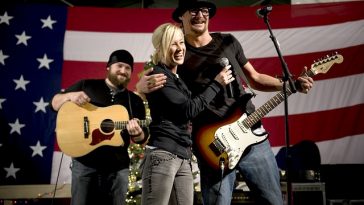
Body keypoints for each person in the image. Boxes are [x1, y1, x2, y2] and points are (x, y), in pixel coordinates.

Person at [136, 0, 314, 204]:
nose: (200, 15)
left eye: (205, 10)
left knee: (273, 200)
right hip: (212, 145)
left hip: (251, 136)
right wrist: (141, 88)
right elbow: (158, 82)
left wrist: (290, 84)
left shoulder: (228, 42)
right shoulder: (177, 50)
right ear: (181, 17)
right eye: (194, 10)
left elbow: (255, 78)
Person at [140, 23, 233, 205]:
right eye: (173, 44)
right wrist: (216, 84)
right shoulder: (160, 76)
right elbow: (187, 110)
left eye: (181, 43)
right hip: (163, 154)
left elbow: (193, 110)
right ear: (161, 47)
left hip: (182, 157)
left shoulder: (177, 79)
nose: (180, 48)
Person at [52, 49, 148, 205]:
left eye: (128, 68)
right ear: (108, 67)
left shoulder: (134, 101)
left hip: (118, 169)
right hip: (85, 165)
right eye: (119, 66)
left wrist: (138, 134)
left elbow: (142, 137)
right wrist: (70, 96)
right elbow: (55, 103)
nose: (123, 71)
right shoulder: (86, 85)